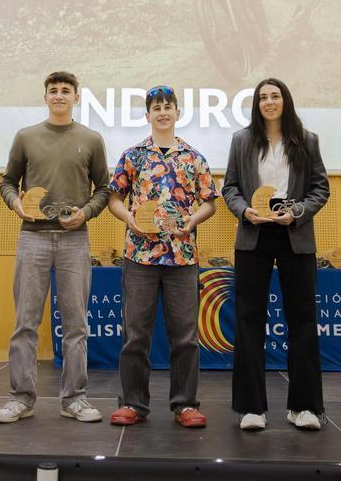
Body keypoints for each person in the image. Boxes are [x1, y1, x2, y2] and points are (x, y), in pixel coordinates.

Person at [0, 71, 110, 424]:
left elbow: (103, 189)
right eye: (53, 91)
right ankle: (20, 398)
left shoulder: (91, 139)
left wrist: (86, 213)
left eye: (66, 90)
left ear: (76, 97)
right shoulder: (26, 137)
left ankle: (74, 399)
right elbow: (8, 183)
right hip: (33, 237)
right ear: (45, 97)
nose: (59, 95)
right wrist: (16, 204)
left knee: (76, 325)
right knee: (25, 322)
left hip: (75, 240)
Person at [107, 85, 219, 428]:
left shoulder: (194, 158)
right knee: (135, 335)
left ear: (177, 113)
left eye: (168, 106)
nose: (163, 112)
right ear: (147, 115)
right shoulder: (132, 156)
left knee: (185, 336)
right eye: (156, 107)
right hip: (139, 255)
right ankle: (133, 404)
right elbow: (114, 199)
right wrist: (128, 219)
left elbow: (210, 203)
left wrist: (192, 220)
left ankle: (185, 404)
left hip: (182, 257)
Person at [222, 78, 329, 432]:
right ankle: (252, 408)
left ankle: (304, 407)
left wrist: (297, 211)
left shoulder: (307, 139)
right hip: (254, 234)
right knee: (249, 320)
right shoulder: (241, 140)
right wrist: (244, 211)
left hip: (294, 233)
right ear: (256, 103)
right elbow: (231, 188)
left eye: (275, 96)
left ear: (286, 100)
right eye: (263, 97)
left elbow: (320, 188)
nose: (269, 102)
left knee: (302, 320)